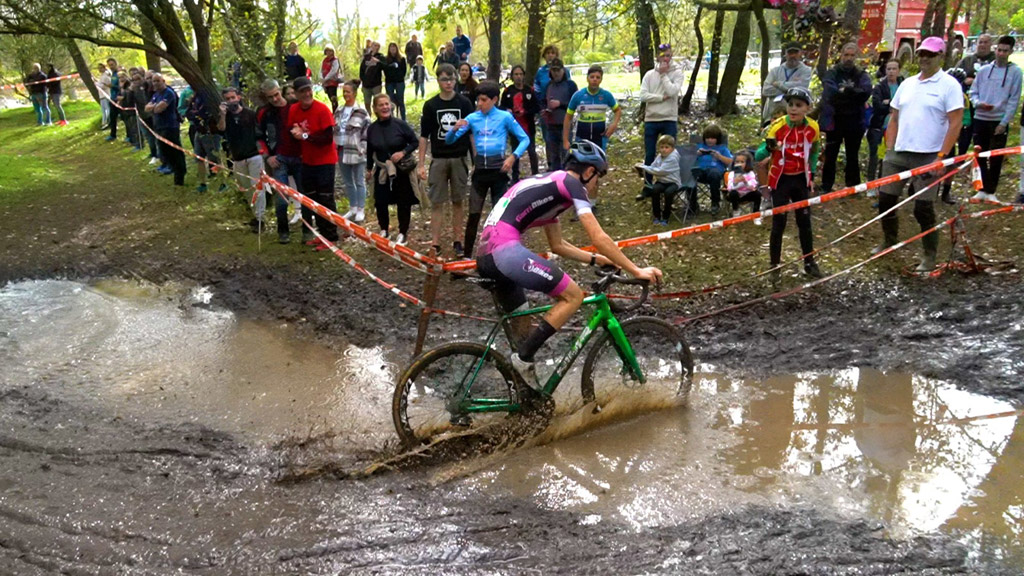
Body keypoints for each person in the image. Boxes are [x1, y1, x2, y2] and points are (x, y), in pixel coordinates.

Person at [474, 140, 662, 389]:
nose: (596, 185)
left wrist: (598, 259)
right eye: (598, 178)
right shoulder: (572, 184)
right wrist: (636, 270)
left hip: (488, 256)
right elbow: (598, 237)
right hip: (504, 252)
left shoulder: (552, 187)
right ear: (589, 172)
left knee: (522, 332)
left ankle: (524, 394)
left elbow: (558, 245)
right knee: (572, 296)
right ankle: (522, 359)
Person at [876, 37, 963, 273]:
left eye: (930, 54)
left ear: (940, 56)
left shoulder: (950, 85)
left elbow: (955, 123)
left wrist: (941, 156)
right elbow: (894, 118)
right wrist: (890, 148)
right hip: (899, 153)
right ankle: (889, 240)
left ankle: (929, 256)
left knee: (923, 208)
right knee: (885, 200)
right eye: (922, 53)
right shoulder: (907, 84)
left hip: (929, 156)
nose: (924, 58)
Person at [446, 80, 530, 257]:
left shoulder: (504, 117)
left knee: (500, 217)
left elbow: (525, 139)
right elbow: (449, 141)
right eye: (478, 100)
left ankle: (501, 253)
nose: (479, 104)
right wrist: (453, 129)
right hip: (480, 173)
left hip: (499, 172)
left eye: (484, 100)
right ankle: (467, 255)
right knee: (474, 214)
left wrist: (513, 157)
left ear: (494, 100)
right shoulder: (472, 118)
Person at [754, 87, 824, 278]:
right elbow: (759, 155)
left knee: (804, 222)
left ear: (807, 108)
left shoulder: (813, 127)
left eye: (798, 105)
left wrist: (812, 173)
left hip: (801, 179)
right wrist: (770, 148)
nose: (793, 109)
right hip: (781, 179)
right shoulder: (777, 126)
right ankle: (774, 265)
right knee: (779, 223)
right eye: (790, 104)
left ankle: (809, 262)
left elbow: (815, 151)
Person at [418, 63, 476, 257]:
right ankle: (435, 243)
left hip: (459, 157)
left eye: (451, 79)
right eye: (444, 79)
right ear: (438, 80)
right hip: (439, 158)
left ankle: (458, 240)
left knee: (458, 200)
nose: (448, 83)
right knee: (437, 201)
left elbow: (471, 134)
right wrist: (421, 164)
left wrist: (475, 160)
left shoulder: (464, 103)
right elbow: (424, 136)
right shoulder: (431, 105)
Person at [289, 76, 340, 250]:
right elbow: (292, 130)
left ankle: (331, 236)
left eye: (308, 90)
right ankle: (321, 234)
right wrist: (295, 132)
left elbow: (327, 138)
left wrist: (304, 135)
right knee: (313, 199)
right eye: (302, 91)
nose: (307, 94)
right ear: (296, 94)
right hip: (307, 161)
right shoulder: (294, 109)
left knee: (326, 198)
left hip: (325, 161)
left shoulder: (322, 110)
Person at [969, 35, 1022, 202]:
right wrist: (978, 103)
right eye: (999, 50)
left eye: (1005, 51)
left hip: (998, 120)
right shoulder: (984, 70)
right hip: (981, 118)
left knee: (996, 156)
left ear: (1010, 52)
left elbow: (1014, 99)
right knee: (980, 154)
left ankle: (991, 191)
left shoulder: (1015, 73)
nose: (1001, 54)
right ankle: (981, 188)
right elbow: (973, 92)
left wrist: (1004, 122)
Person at [365, 92, 420, 245]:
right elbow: (370, 150)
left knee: (403, 201)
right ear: (375, 109)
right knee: (380, 200)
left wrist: (403, 152)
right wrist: (368, 169)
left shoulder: (400, 124)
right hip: (382, 169)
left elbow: (414, 142)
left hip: (401, 169)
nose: (384, 107)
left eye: (386, 104)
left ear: (391, 106)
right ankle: (384, 230)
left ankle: (403, 232)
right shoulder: (372, 129)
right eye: (381, 105)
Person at [819, 42, 872, 194]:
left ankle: (853, 186)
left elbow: (865, 92)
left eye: (852, 55)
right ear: (841, 55)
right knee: (831, 154)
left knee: (852, 154)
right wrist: (851, 94)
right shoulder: (833, 73)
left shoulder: (861, 74)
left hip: (855, 121)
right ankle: (826, 186)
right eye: (846, 55)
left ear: (856, 57)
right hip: (834, 120)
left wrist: (846, 91)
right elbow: (830, 92)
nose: (849, 58)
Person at [256, 78, 303, 244]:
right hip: (278, 158)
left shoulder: (295, 106)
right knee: (281, 198)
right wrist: (267, 156)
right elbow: (259, 137)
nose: (274, 99)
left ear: (280, 91)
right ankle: (283, 231)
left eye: (276, 94)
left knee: (304, 195)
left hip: (299, 156)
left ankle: (308, 231)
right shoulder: (264, 112)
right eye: (270, 97)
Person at [218, 86, 266, 232]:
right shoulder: (226, 116)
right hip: (238, 157)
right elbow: (221, 129)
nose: (231, 101)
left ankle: (261, 219)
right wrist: (222, 114)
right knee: (246, 188)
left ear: (239, 97)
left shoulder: (250, 114)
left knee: (258, 188)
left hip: (254, 156)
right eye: (228, 99)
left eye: (233, 97)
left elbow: (260, 133)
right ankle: (255, 215)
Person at [638, 43, 683, 199]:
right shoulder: (649, 74)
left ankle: (670, 184)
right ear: (657, 56)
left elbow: (672, 91)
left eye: (668, 56)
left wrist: (664, 75)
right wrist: (660, 98)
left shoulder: (677, 73)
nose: (665, 59)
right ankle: (648, 186)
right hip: (651, 119)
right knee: (650, 154)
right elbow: (643, 95)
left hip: (669, 118)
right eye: (663, 56)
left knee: (670, 153)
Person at [335, 79, 370, 224]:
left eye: (348, 92)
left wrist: (363, 148)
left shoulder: (361, 112)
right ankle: (353, 207)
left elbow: (367, 132)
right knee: (348, 181)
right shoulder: (339, 110)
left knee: (359, 180)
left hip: (357, 150)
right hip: (341, 149)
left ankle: (361, 208)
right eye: (344, 92)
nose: (345, 94)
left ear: (354, 93)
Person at [500, 65, 541, 183]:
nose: (518, 77)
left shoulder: (529, 90)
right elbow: (502, 107)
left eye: (520, 74)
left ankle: (536, 175)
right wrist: (507, 111)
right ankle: (515, 177)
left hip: (528, 126)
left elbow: (537, 107)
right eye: (516, 74)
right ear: (512, 76)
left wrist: (525, 112)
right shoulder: (508, 91)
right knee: (515, 151)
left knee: (532, 151)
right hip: (514, 127)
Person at [145, 74, 187, 187]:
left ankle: (180, 175)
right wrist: (154, 107)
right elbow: (146, 108)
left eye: (158, 81)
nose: (155, 83)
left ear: (163, 81)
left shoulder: (168, 93)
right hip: (159, 127)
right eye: (153, 81)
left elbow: (159, 109)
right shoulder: (156, 94)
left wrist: (153, 107)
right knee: (164, 151)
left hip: (170, 126)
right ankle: (172, 168)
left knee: (175, 151)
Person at [940, 67, 975, 205]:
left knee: (950, 164)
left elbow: (965, 116)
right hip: (938, 134)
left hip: (951, 134)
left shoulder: (962, 97)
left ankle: (946, 192)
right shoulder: (940, 93)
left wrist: (962, 127)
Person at [534, 45, 572, 164]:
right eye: (548, 53)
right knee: (549, 141)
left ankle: (566, 166)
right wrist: (542, 108)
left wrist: (560, 104)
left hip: (564, 116)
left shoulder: (566, 75)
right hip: (547, 114)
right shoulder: (541, 73)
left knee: (565, 143)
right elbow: (538, 92)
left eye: (553, 53)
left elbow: (572, 98)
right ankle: (551, 165)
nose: (550, 55)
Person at [866, 59, 902, 188]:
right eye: (889, 69)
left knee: (889, 158)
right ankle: (871, 185)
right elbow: (877, 106)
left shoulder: (904, 85)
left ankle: (884, 184)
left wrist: (888, 102)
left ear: (899, 70)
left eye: (894, 69)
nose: (891, 72)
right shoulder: (879, 86)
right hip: (878, 126)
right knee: (874, 156)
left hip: (897, 127)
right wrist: (891, 106)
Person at [634, 134, 681, 225]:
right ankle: (657, 216)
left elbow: (660, 171)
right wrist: (642, 167)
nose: (664, 149)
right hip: (661, 181)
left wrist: (644, 167)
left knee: (668, 193)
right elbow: (653, 166)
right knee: (655, 190)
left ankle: (666, 216)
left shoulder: (672, 158)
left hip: (673, 182)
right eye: (662, 147)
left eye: (666, 147)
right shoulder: (660, 156)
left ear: (672, 148)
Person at [761, 42, 812, 124]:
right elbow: (765, 90)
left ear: (801, 53)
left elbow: (802, 88)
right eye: (790, 52)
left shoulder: (806, 71)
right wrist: (791, 86)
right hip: (772, 115)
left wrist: (778, 84)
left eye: (795, 52)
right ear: (785, 54)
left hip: (794, 116)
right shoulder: (775, 71)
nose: (793, 55)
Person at [542, 59, 577, 172]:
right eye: (553, 70)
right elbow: (543, 101)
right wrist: (545, 110)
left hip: (565, 125)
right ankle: (555, 176)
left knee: (566, 153)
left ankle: (567, 176)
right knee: (554, 155)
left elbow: (575, 104)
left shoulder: (570, 85)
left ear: (563, 71)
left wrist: (560, 104)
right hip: (551, 125)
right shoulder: (548, 85)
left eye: (558, 70)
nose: (556, 73)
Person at [185, 87, 222, 191]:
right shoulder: (195, 98)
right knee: (199, 158)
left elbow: (204, 114)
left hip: (210, 132)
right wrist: (194, 114)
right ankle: (203, 183)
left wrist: (196, 114)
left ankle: (222, 183)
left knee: (214, 159)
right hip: (199, 131)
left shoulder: (209, 97)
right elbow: (188, 113)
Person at [692, 124, 733, 214]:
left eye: (712, 138)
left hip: (715, 172)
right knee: (690, 174)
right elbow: (686, 160)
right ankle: (692, 204)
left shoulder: (722, 148)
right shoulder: (699, 146)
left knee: (714, 174)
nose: (710, 140)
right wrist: (696, 154)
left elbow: (731, 162)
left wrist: (720, 157)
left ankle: (715, 203)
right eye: (707, 138)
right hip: (700, 171)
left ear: (717, 138)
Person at [725, 150, 761, 219]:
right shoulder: (731, 174)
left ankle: (756, 213)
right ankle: (735, 211)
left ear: (747, 163)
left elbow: (752, 187)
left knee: (757, 194)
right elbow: (730, 188)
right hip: (735, 196)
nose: (739, 164)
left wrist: (745, 182)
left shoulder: (750, 173)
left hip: (747, 194)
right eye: (737, 162)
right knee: (733, 193)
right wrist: (735, 182)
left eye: (742, 162)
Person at [383, 42, 408, 121]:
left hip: (399, 82)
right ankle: (391, 119)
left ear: (397, 49)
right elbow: (385, 70)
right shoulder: (386, 59)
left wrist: (398, 76)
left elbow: (404, 71)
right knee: (390, 100)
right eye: (391, 47)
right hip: (389, 82)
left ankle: (403, 119)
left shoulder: (402, 59)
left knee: (400, 100)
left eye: (394, 47)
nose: (393, 49)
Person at [359, 42, 385, 112]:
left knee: (378, 103)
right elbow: (362, 69)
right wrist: (363, 80)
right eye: (375, 45)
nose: (376, 47)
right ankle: (368, 116)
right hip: (366, 85)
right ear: (371, 46)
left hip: (376, 85)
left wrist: (378, 62)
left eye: (378, 46)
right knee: (367, 103)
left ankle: (379, 116)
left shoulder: (381, 57)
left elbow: (385, 67)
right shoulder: (366, 57)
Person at [105, 58, 122, 141]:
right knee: (112, 117)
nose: (111, 67)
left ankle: (130, 136)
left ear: (116, 64)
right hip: (112, 99)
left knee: (124, 118)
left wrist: (113, 86)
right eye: (109, 65)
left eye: (112, 65)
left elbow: (122, 86)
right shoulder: (112, 74)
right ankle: (113, 135)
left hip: (119, 99)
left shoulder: (119, 74)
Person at [321, 44, 342, 112]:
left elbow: (334, 71)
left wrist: (326, 78)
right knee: (330, 98)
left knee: (333, 98)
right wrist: (321, 78)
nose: (328, 52)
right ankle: (335, 112)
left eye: (330, 51)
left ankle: (336, 112)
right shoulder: (324, 60)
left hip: (332, 82)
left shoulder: (335, 60)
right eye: (327, 51)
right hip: (326, 83)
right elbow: (321, 70)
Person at [97, 63, 111, 129]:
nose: (99, 69)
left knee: (107, 110)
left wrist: (96, 84)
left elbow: (103, 86)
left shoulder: (106, 76)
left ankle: (107, 122)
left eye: (101, 68)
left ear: (104, 68)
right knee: (103, 110)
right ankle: (104, 123)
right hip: (102, 96)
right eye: (98, 68)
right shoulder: (102, 76)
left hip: (106, 95)